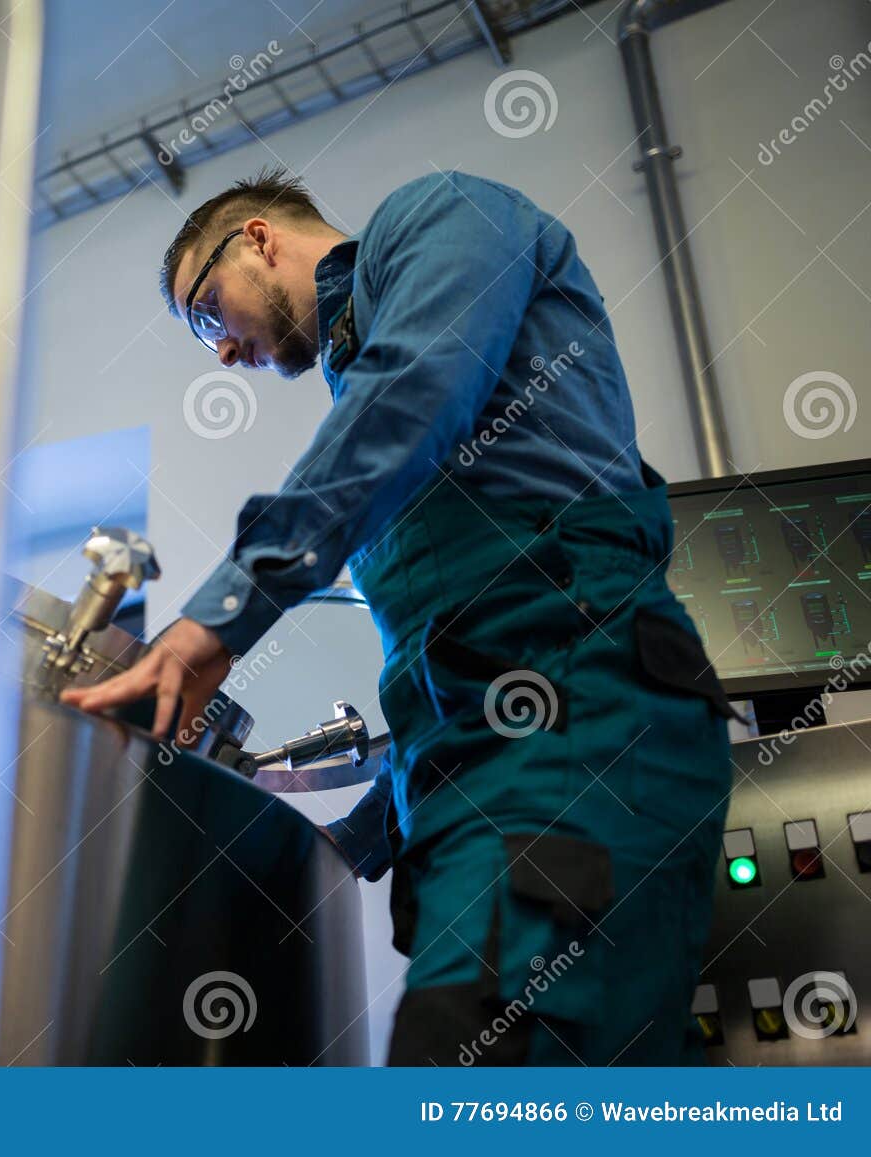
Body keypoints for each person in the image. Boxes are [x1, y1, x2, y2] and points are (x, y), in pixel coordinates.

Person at [60, 168, 737, 1066]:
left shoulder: (443, 214)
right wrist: (339, 846)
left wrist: (217, 619)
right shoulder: (368, 402)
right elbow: (455, 687)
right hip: (504, 770)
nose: (220, 350)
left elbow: (415, 389)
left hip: (584, 735)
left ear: (258, 238)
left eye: (208, 309)